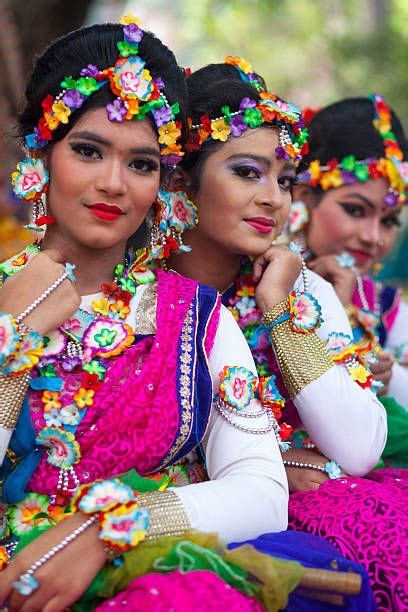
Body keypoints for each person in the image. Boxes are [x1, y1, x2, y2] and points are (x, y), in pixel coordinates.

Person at [0, 17, 298, 611]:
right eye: (88, 151)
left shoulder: (196, 319)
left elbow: (263, 493)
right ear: (42, 152)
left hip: (150, 582)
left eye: (141, 163)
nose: (114, 184)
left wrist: (109, 526)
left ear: (164, 180)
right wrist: (13, 332)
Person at [169, 59, 405, 609]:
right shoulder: (135, 296)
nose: (275, 199)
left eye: (284, 180)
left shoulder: (302, 289)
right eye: (248, 172)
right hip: (207, 520)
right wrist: (282, 464)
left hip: (311, 512)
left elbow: (360, 449)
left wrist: (277, 311)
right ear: (181, 180)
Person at [290, 96, 408, 470]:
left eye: (389, 221)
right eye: (356, 211)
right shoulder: (249, 282)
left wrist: (388, 379)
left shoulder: (387, 309)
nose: (374, 238)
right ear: (304, 197)